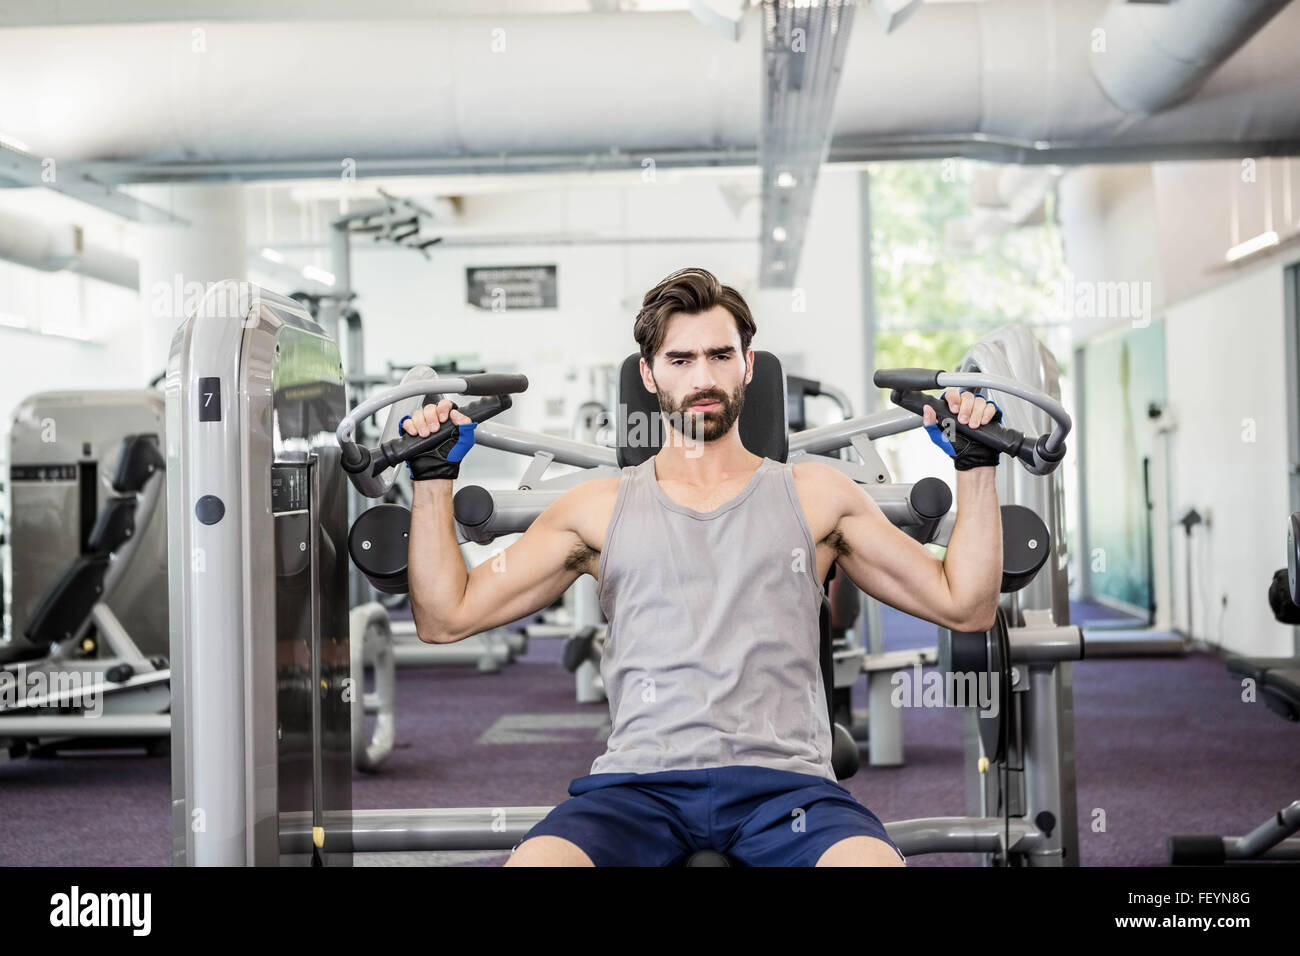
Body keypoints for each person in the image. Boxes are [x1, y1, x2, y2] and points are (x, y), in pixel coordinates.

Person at [403, 267, 1003, 867]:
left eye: (720, 355)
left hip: (787, 790)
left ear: (748, 364)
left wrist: (976, 469)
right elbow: (445, 616)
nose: (704, 378)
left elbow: (964, 605)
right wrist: (433, 479)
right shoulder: (596, 509)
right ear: (649, 373)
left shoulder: (817, 494)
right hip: (636, 789)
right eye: (681, 359)